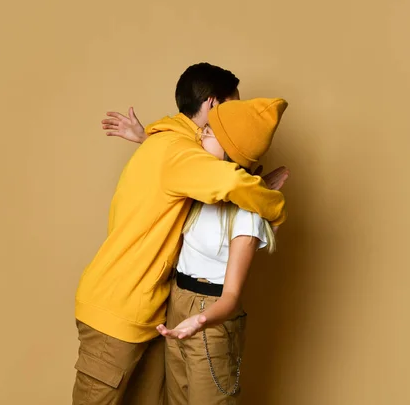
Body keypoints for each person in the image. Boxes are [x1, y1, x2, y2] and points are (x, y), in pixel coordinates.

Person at [73, 63, 288, 405]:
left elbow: (189, 163)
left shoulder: (169, 142)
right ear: (214, 106)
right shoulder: (178, 152)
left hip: (155, 312)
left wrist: (146, 138)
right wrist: (274, 206)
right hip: (117, 310)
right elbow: (228, 179)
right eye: (233, 108)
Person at [155, 98, 288, 405]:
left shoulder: (247, 215)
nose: (201, 134)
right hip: (178, 303)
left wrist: (200, 321)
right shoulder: (202, 188)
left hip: (211, 313)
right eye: (205, 127)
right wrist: (140, 136)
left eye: (211, 132)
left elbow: (230, 298)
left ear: (232, 149)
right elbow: (171, 156)